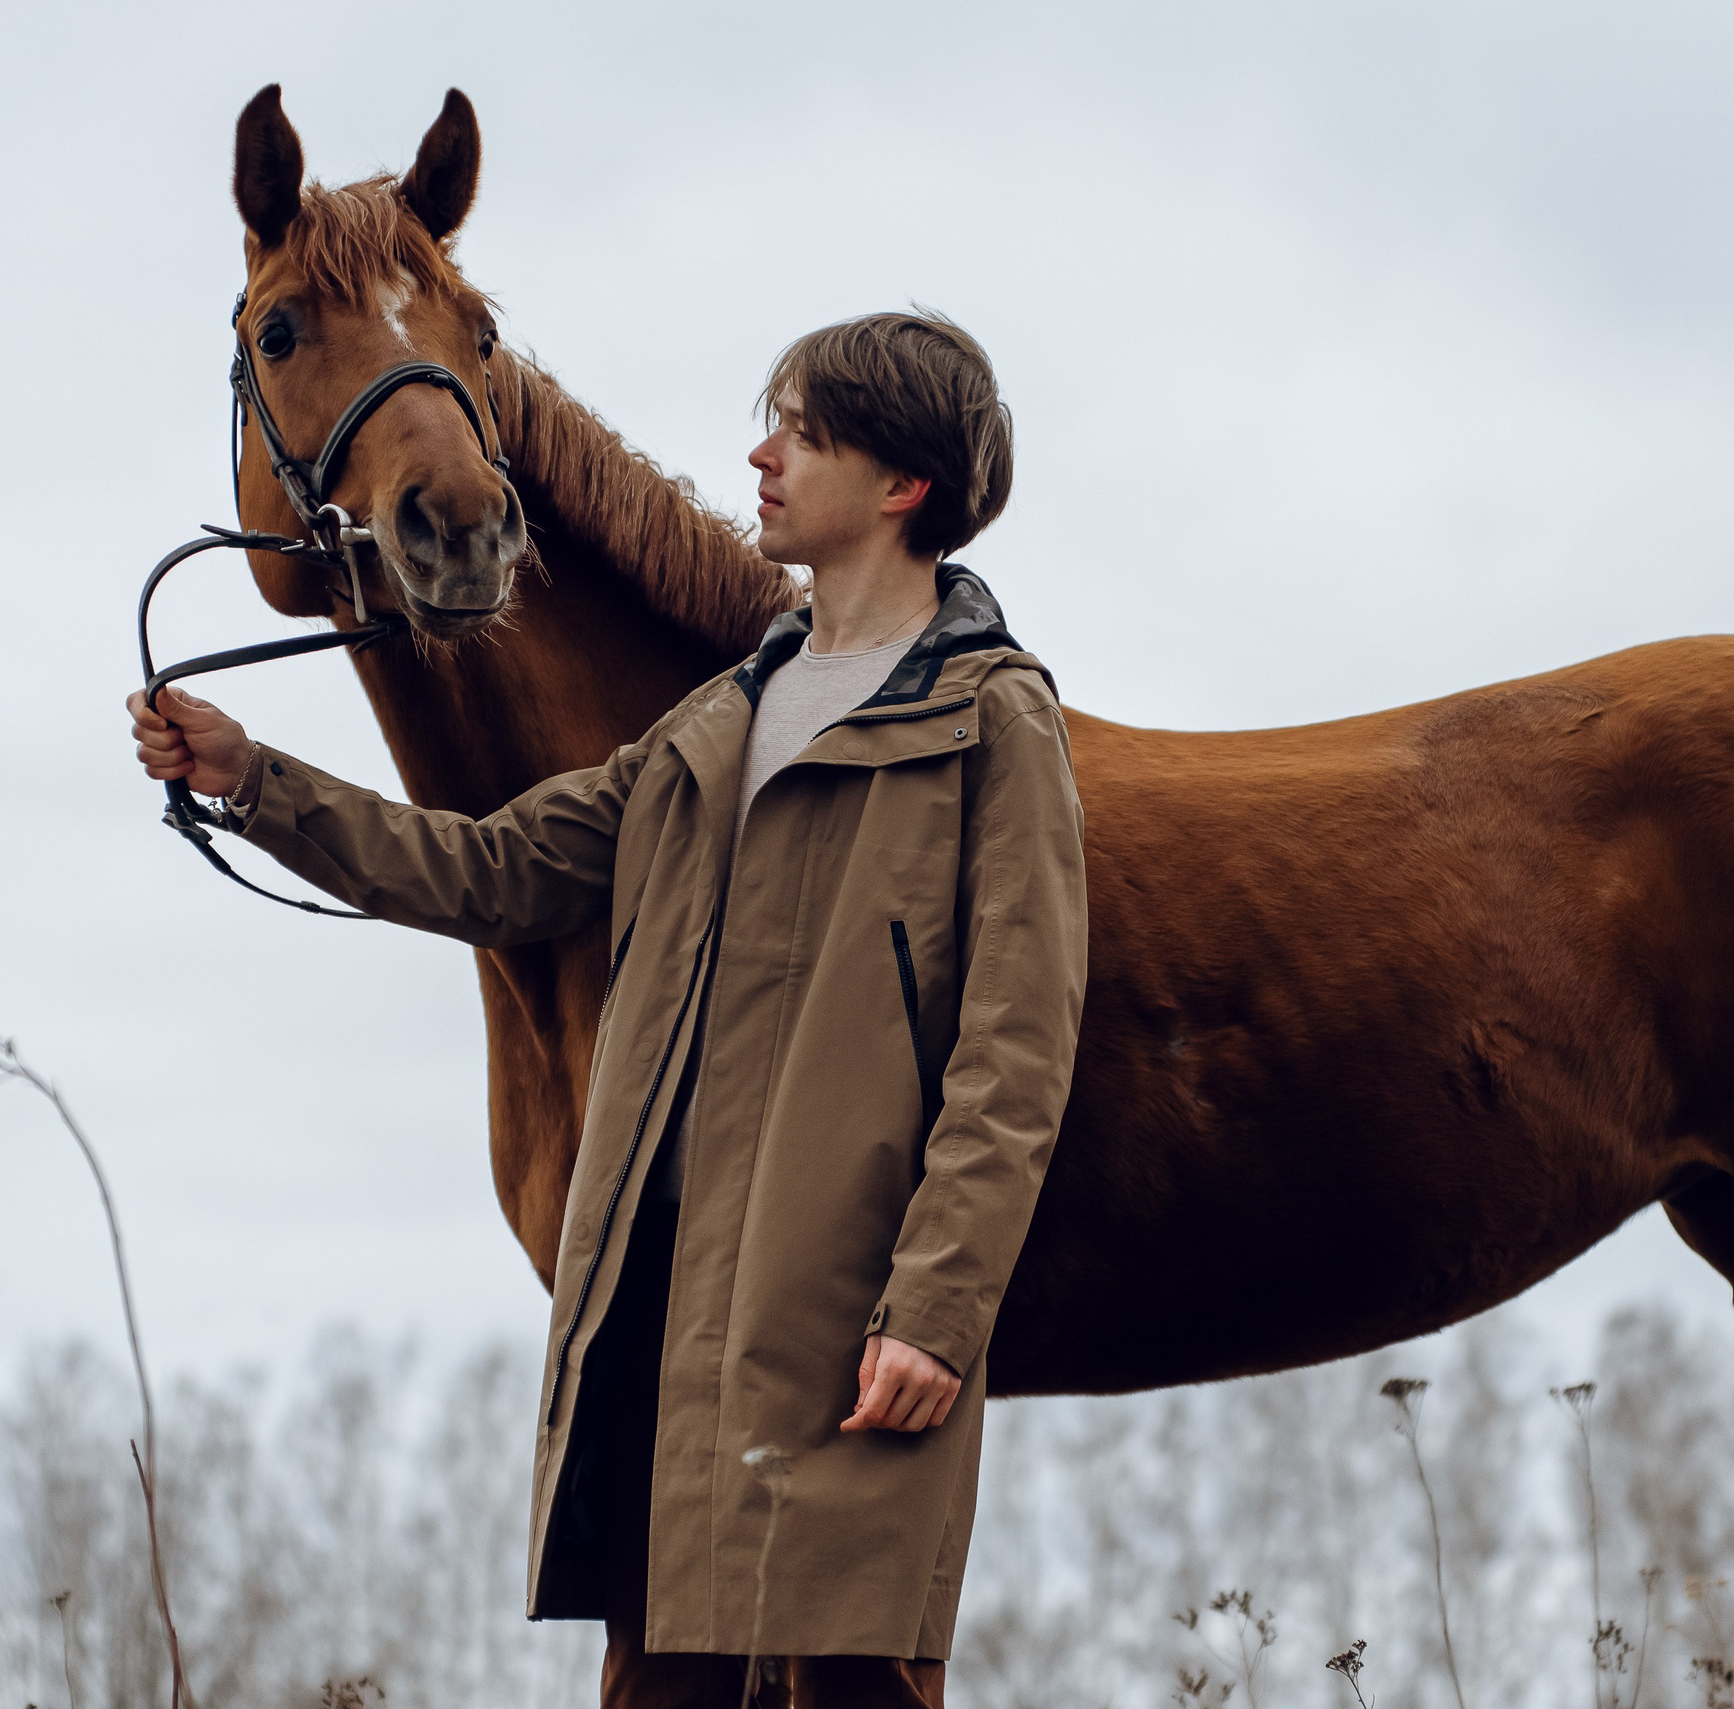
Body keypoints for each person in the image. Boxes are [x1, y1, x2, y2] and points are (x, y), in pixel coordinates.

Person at [127, 310, 1086, 1708]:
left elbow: (1017, 1044)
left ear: (903, 488)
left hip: (850, 1342)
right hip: (657, 1341)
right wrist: (257, 778)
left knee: (852, 1689)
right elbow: (493, 865)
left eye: (804, 433)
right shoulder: (710, 731)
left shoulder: (993, 724)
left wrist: (936, 1308)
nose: (759, 454)